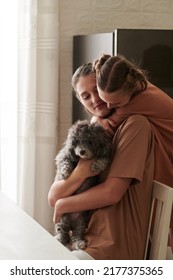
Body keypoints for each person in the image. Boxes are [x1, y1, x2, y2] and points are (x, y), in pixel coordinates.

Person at [48, 61, 157, 260]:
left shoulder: (135, 126)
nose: (94, 100)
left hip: (113, 244)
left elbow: (112, 194)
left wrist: (64, 205)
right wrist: (82, 171)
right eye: (85, 96)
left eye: (96, 89)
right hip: (83, 237)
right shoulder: (87, 134)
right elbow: (53, 197)